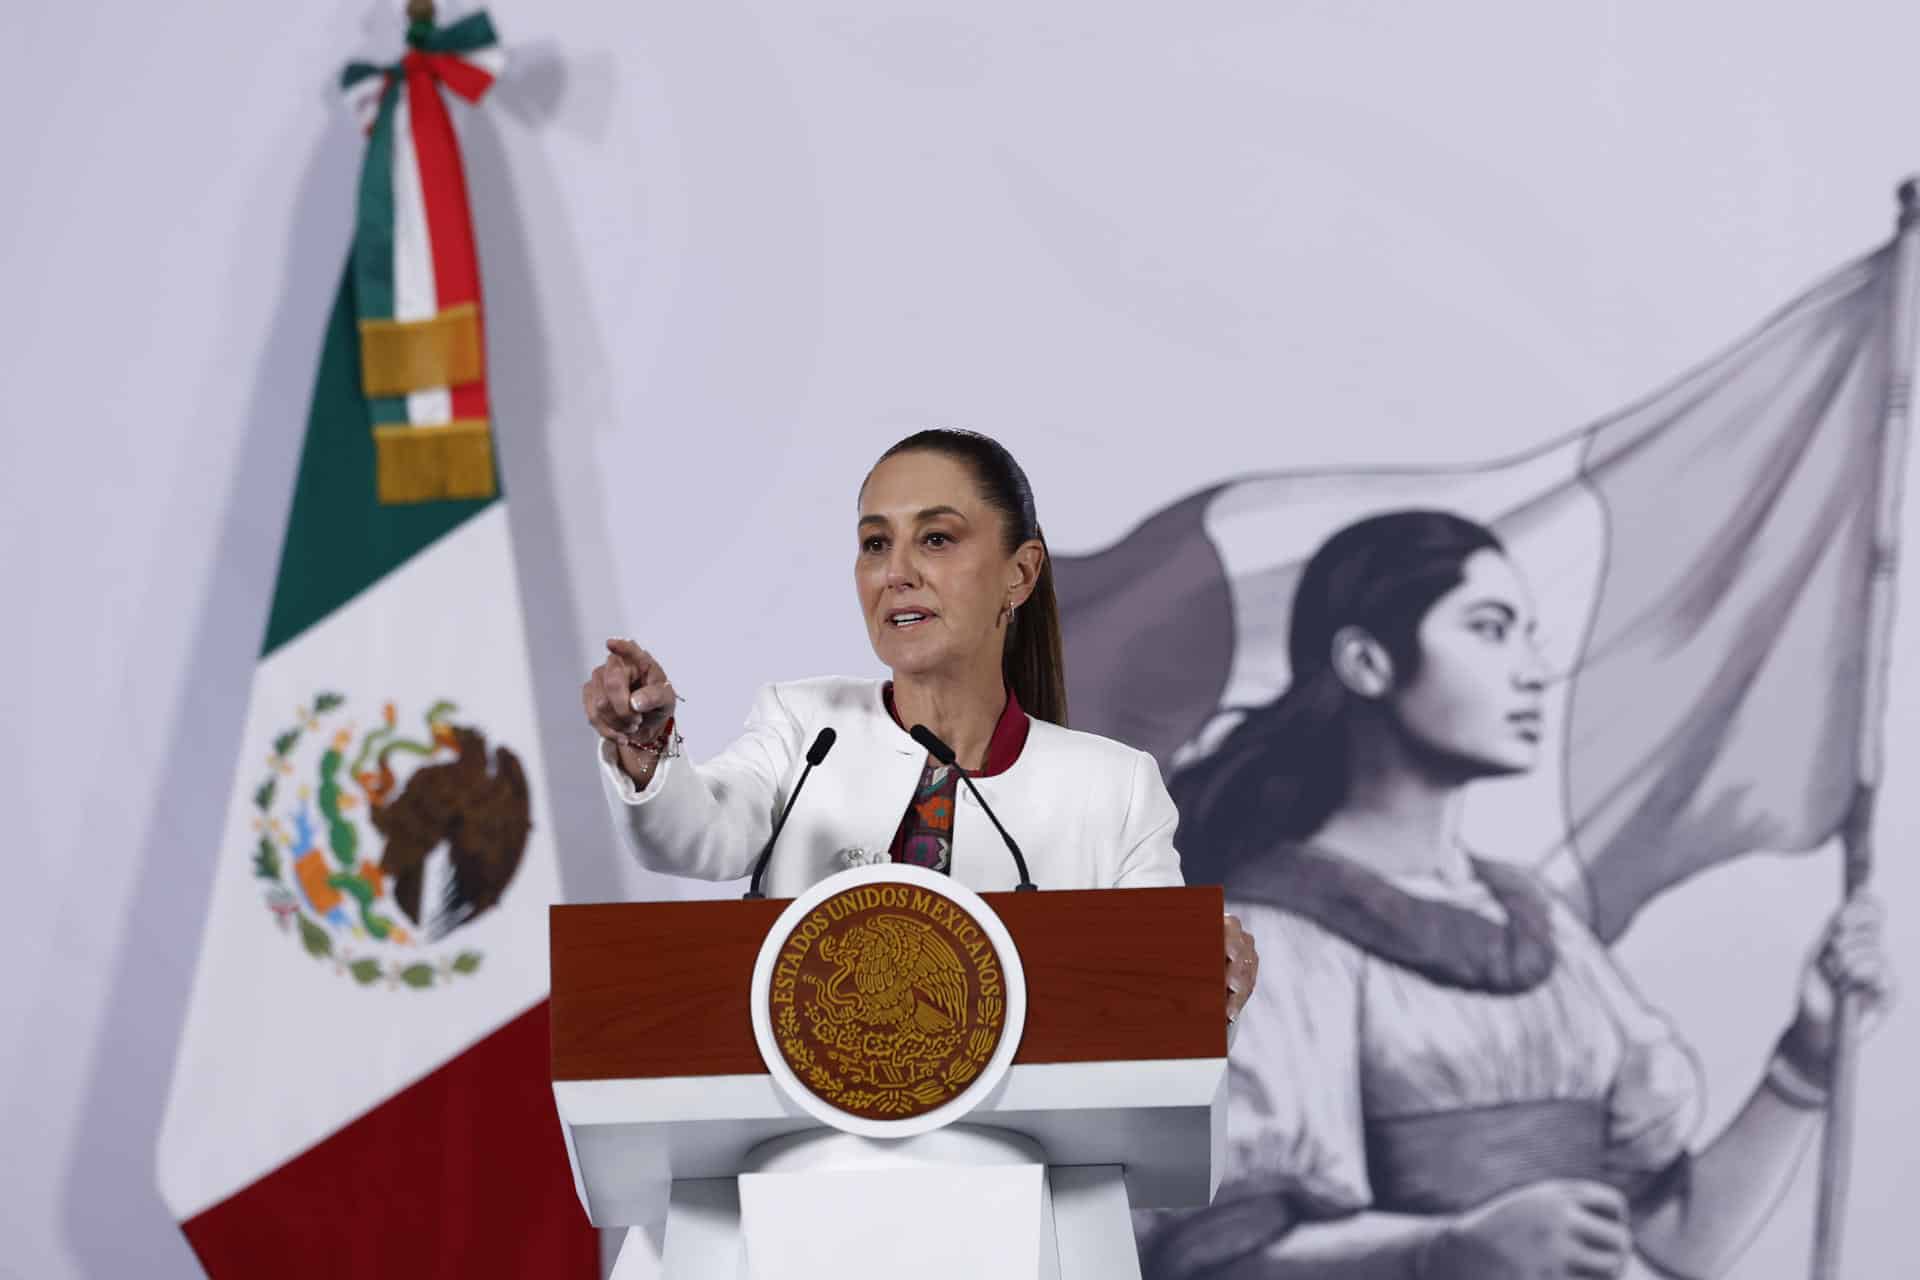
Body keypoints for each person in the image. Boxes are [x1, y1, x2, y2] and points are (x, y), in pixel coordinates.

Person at [1139, 510, 1894, 1280]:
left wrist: (1807, 1055)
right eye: (1491, 628)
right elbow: (1211, 1264)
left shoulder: (1539, 925)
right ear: (1369, 662)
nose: (1534, 670)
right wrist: (1447, 1251)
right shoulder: (1271, 935)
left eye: (1529, 633)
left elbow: (1678, 1236)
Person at [582, 427, 1259, 1020]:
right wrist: (643, 743)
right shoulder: (805, 728)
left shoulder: (1115, 790)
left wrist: (1209, 974)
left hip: (1026, 1164)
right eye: (875, 544)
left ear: (1019, 575)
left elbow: (1159, 1019)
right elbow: (693, 837)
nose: (896, 573)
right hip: (810, 1159)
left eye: (935, 538)